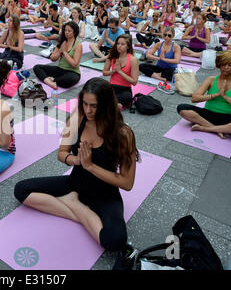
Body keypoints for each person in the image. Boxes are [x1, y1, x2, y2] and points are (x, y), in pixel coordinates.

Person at [14, 77, 139, 252]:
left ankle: (73, 204)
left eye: (94, 106)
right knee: (21, 189)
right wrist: (75, 160)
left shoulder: (123, 133)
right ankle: (78, 209)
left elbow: (127, 183)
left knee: (115, 240)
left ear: (107, 105)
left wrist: (90, 166)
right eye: (85, 104)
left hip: (105, 195)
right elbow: (62, 153)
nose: (88, 110)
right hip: (75, 184)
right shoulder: (77, 118)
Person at [177, 50, 231, 139]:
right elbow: (194, 98)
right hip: (207, 114)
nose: (226, 67)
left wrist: (225, 97)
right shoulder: (211, 79)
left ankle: (205, 128)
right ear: (219, 65)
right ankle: (217, 129)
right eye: (223, 64)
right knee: (182, 108)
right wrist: (215, 95)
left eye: (230, 65)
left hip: (227, 118)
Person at [33, 21, 82, 90]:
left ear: (74, 32)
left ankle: (53, 79)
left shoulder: (78, 45)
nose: (66, 32)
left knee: (70, 80)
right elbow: (52, 58)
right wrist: (60, 51)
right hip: (60, 70)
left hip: (72, 72)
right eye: (65, 30)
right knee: (37, 67)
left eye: (69, 31)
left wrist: (64, 52)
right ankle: (50, 82)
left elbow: (74, 64)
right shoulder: (62, 42)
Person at [102, 34, 139, 109]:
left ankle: (113, 106)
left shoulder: (133, 60)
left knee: (122, 98)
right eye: (118, 44)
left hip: (125, 89)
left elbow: (134, 82)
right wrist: (112, 72)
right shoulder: (111, 55)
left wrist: (120, 71)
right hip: (112, 86)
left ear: (128, 46)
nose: (119, 46)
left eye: (122, 44)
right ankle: (113, 106)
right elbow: (104, 72)